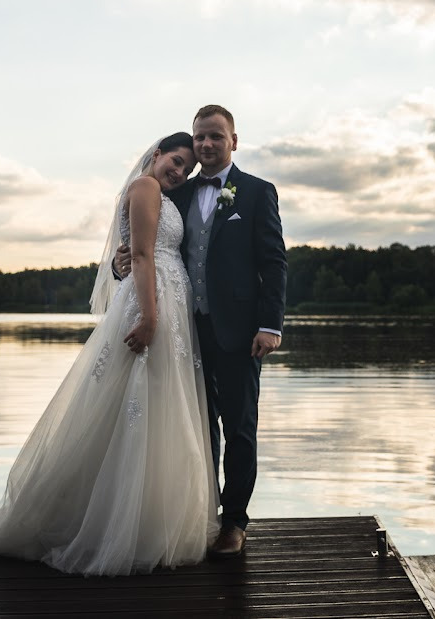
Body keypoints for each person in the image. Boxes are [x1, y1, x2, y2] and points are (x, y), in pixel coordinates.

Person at [0, 133, 219, 575]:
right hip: (150, 305)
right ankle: (110, 526)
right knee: (134, 405)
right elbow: (140, 254)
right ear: (157, 154)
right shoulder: (144, 187)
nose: (179, 172)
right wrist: (151, 318)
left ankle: (146, 523)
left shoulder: (160, 192)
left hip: (167, 306)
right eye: (175, 161)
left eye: (187, 169)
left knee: (154, 410)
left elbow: (144, 250)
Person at [114, 105, 287, 558]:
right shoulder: (176, 192)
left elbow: (273, 262)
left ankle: (234, 522)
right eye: (200, 138)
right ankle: (202, 512)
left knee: (240, 429)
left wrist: (270, 326)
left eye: (216, 136)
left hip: (241, 332)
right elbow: (147, 248)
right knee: (196, 427)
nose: (207, 145)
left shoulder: (256, 192)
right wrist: (121, 264)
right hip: (183, 329)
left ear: (234, 140)